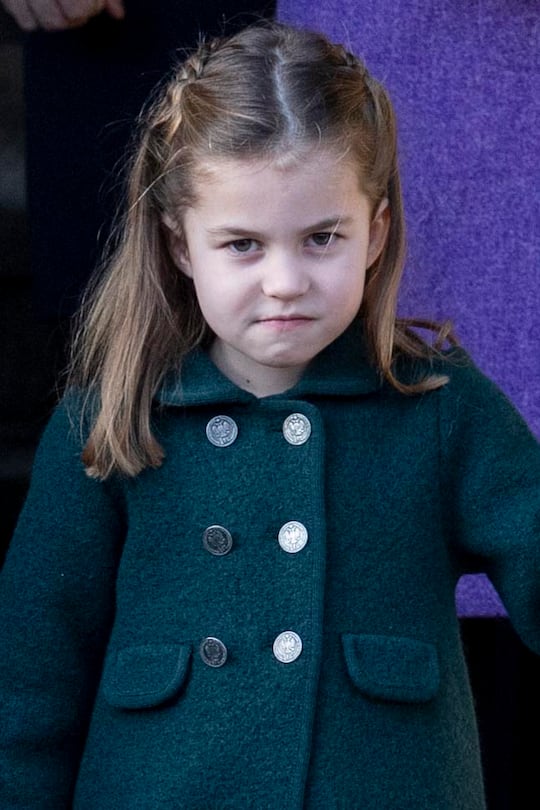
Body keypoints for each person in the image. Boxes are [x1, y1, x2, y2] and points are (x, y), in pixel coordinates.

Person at [0, 20, 539, 809]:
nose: (285, 281)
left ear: (375, 232)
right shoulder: (109, 419)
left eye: (322, 237)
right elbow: (30, 677)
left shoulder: (439, 408)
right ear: (180, 243)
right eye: (243, 245)